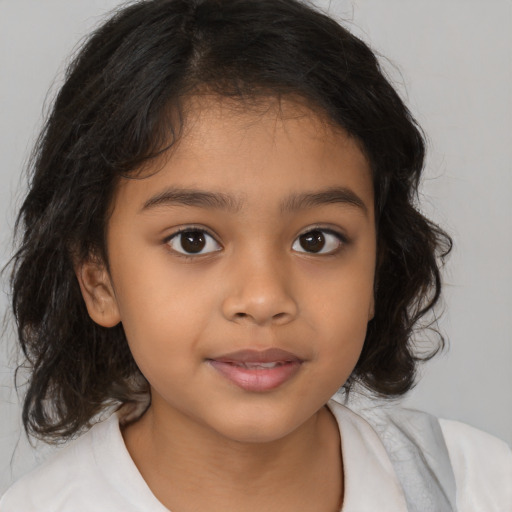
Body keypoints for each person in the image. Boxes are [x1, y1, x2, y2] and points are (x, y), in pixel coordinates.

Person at [1, 0, 511, 510]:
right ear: (99, 281)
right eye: (193, 240)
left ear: (378, 267)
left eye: (316, 240)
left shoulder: (479, 487)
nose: (264, 299)